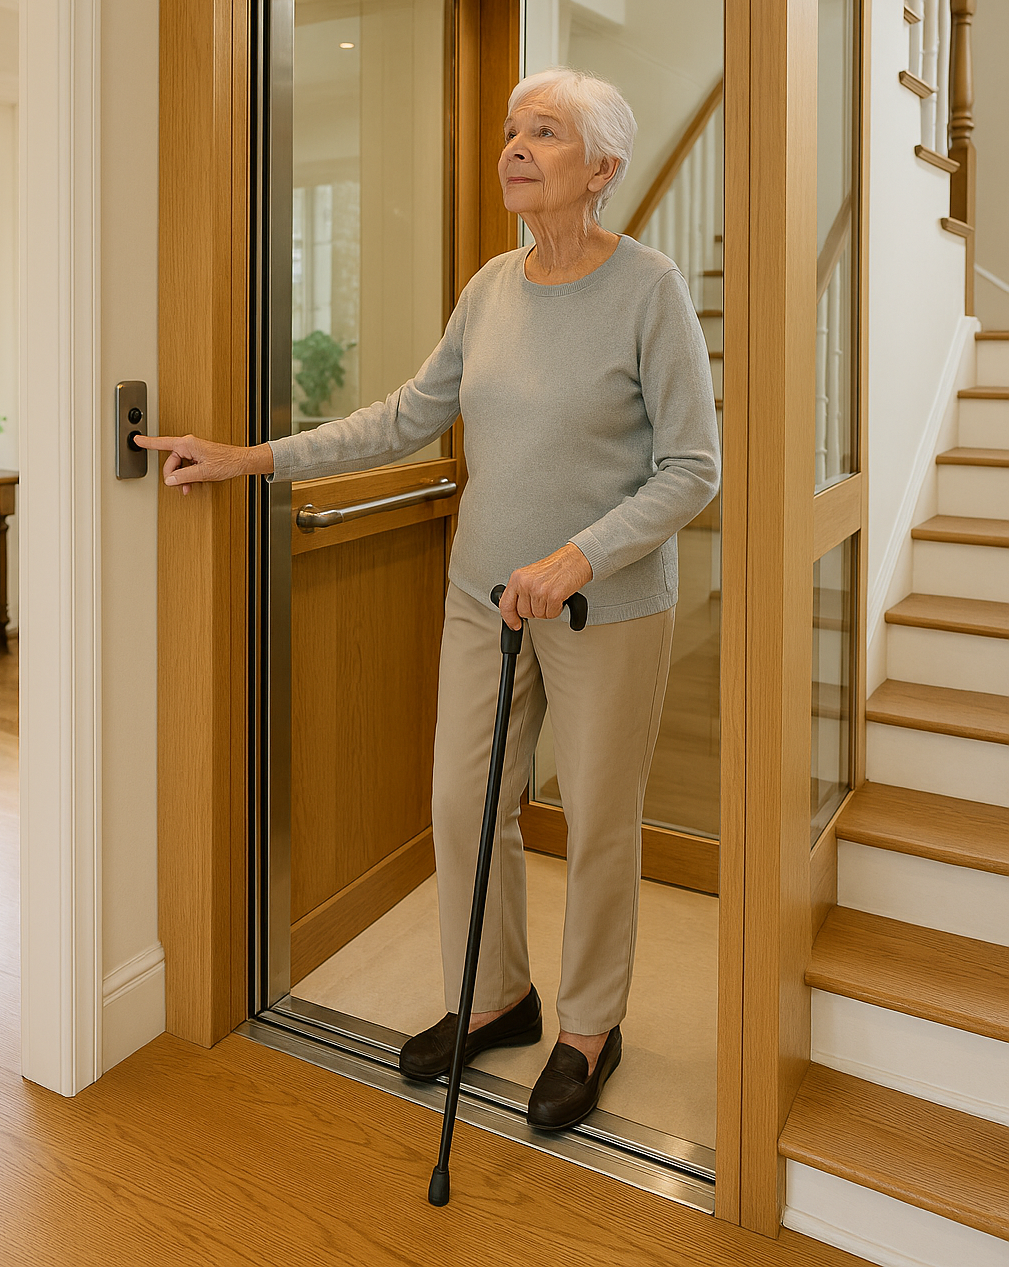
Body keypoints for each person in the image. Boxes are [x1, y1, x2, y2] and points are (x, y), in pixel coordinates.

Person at [138, 65, 720, 1131]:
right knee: (466, 805)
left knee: (593, 823)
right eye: (512, 128)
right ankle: (496, 996)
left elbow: (693, 468)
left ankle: (589, 1029)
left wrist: (578, 558)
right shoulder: (489, 287)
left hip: (603, 609)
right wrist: (248, 458)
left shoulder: (651, 292)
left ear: (600, 170)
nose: (515, 145)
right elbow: (406, 416)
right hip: (479, 597)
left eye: (544, 132)